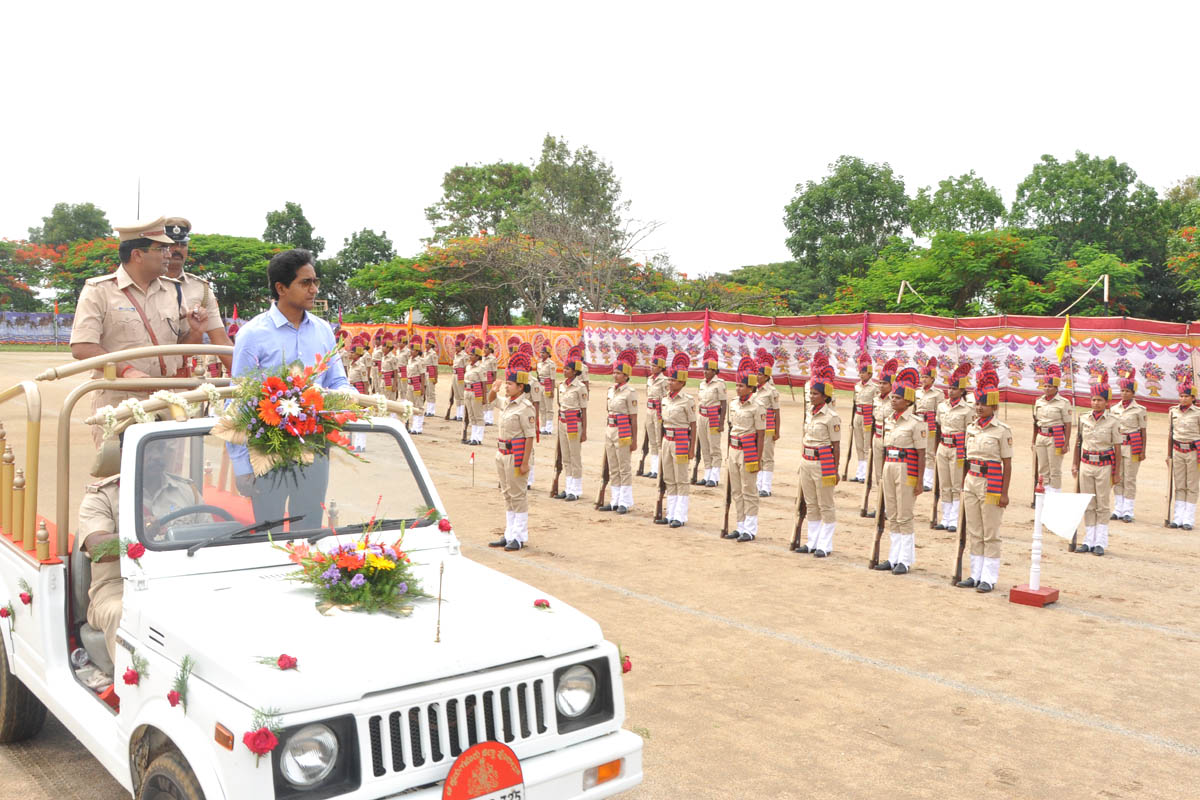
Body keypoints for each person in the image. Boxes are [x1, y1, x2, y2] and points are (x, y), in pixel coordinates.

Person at [229, 249, 349, 523]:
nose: (314, 289)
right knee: (267, 530)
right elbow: (237, 400)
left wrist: (348, 403)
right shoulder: (252, 335)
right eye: (305, 283)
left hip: (315, 445)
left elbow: (338, 381)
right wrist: (241, 465)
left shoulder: (323, 331)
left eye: (315, 282)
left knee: (308, 529)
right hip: (268, 447)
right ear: (281, 288)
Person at [70, 217, 210, 446]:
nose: (169, 253)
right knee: (119, 477)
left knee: (165, 476)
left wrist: (196, 332)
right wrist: (126, 371)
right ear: (137, 255)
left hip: (166, 401)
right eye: (162, 248)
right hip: (121, 402)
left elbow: (180, 349)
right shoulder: (99, 291)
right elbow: (82, 347)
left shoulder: (173, 291)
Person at [79, 430, 207, 667]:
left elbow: (211, 537)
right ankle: (133, 688)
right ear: (124, 453)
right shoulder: (102, 497)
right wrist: (141, 535)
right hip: (118, 587)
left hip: (182, 578)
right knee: (123, 612)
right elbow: (96, 548)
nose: (157, 456)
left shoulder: (186, 490)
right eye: (149, 449)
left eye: (161, 448)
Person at [954, 366, 1013, 592]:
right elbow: (966, 461)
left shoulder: (1002, 430)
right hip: (972, 480)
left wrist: (1004, 493)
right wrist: (963, 483)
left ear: (994, 406)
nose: (979, 408)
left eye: (984, 404)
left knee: (990, 532)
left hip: (992, 482)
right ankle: (975, 574)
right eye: (977, 403)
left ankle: (988, 577)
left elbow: (1007, 464)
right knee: (974, 530)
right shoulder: (971, 429)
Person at [163, 217, 233, 373]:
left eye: (183, 244)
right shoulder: (144, 284)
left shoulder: (201, 289)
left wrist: (248, 379)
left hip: (182, 378)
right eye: (172, 244)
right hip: (141, 377)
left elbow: (221, 341)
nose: (178, 249)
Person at [873, 367, 925, 575]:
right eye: (892, 397)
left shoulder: (916, 423)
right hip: (889, 466)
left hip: (906, 468)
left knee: (904, 515)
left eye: (897, 397)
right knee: (892, 513)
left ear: (908, 401)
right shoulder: (889, 420)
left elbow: (921, 453)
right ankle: (893, 557)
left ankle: (905, 559)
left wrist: (920, 481)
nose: (893, 401)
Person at [487, 352, 537, 551]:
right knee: (507, 494)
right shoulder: (507, 402)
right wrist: (494, 389)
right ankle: (509, 533)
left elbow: (529, 437)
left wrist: (525, 463)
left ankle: (519, 536)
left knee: (518, 496)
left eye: (510, 384)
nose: (506, 386)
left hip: (516, 456)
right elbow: (490, 400)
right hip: (502, 454)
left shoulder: (525, 407)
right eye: (506, 383)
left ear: (520, 387)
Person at [794, 362, 840, 557]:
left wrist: (835, 470)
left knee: (826, 504)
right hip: (806, 461)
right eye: (810, 393)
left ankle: (825, 544)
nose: (810, 396)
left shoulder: (832, 417)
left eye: (814, 394)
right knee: (811, 504)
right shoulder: (810, 414)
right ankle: (812, 541)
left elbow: (836, 446)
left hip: (824, 463)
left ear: (824, 396)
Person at [1073, 372, 1121, 555]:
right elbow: (1078, 443)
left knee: (1102, 503)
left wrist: (1117, 473)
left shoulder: (1113, 421)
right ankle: (1088, 540)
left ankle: (1100, 541)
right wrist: (1075, 464)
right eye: (1093, 399)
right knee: (1088, 502)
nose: (1096, 403)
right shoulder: (1083, 418)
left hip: (1104, 466)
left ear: (1107, 402)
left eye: (1100, 400)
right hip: (1086, 465)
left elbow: (1117, 448)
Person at [723, 357, 767, 542]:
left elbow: (761, 434)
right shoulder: (733, 403)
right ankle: (739, 526)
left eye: (741, 385)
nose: (738, 388)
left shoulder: (758, 406)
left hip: (748, 450)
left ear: (750, 387)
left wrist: (757, 459)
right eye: (737, 385)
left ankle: (750, 529)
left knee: (749, 490)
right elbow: (731, 428)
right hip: (734, 449)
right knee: (736, 491)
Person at [657, 353, 697, 528]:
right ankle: (670, 513)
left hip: (681, 441)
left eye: (673, 380)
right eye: (669, 380)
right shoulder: (665, 399)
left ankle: (680, 516)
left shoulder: (687, 401)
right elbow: (662, 424)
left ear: (681, 383)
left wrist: (691, 449)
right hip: (667, 440)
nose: (669, 382)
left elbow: (693, 425)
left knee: (681, 479)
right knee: (669, 478)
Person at [934, 363, 973, 531]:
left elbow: (970, 433)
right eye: (949, 387)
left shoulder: (967, 409)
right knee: (944, 483)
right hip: (943, 446)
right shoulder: (942, 406)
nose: (951, 391)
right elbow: (938, 427)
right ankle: (945, 517)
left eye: (955, 388)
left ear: (962, 391)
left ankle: (954, 519)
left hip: (958, 448)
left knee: (957, 484)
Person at [599, 349, 639, 514]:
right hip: (610, 430)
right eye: (614, 372)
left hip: (623, 431)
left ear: (626, 376)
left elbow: (634, 419)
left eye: (619, 373)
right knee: (613, 467)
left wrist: (634, 440)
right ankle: (614, 500)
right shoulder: (610, 390)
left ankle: (625, 501)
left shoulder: (630, 393)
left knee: (624, 467)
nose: (615, 375)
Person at [1112, 367, 1147, 523]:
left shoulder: (1140, 410)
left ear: (1133, 393)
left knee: (1130, 478)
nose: (1124, 393)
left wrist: (1142, 451)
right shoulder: (1114, 409)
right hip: (1118, 446)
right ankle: (1118, 508)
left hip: (1133, 446)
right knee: (1118, 476)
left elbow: (1143, 432)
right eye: (1122, 390)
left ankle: (1128, 510)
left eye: (1127, 391)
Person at [554, 345, 589, 501]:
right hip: (562, 422)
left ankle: (576, 489)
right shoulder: (561, 385)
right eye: (564, 368)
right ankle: (568, 487)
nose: (564, 371)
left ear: (575, 372)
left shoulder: (580, 387)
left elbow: (584, 410)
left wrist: (585, 431)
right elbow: (559, 405)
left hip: (574, 422)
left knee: (575, 457)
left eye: (568, 369)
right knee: (565, 457)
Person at [865, 359, 898, 518]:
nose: (881, 386)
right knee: (878, 474)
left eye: (885, 383)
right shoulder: (877, 399)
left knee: (889, 476)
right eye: (880, 383)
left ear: (892, 384)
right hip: (877, 439)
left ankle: (890, 507)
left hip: (890, 441)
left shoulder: (896, 400)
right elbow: (873, 421)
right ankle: (880, 505)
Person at [1033, 365, 1073, 494]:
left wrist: (1066, 443)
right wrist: (1033, 441)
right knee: (1043, 468)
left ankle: (1055, 495)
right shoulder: (1039, 402)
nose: (1047, 388)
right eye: (1045, 386)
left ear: (1056, 388)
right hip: (1041, 436)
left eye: (1050, 386)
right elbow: (1035, 423)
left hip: (1055, 438)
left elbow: (1067, 425)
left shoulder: (1064, 402)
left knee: (1055, 469)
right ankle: (1044, 494)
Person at [1168, 381, 1200, 529]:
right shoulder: (1173, 411)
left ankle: (1188, 519)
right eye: (1181, 396)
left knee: (1191, 485)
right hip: (1177, 450)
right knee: (1179, 484)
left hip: (1193, 451)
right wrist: (1169, 455)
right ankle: (1178, 517)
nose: (1183, 399)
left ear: (1193, 398)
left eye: (1187, 396)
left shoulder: (1198, 413)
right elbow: (1170, 434)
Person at [695, 349, 727, 488]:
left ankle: (714, 477)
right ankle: (706, 474)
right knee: (704, 446)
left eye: (708, 370)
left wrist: (721, 423)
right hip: (702, 416)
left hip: (714, 417)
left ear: (714, 371)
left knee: (714, 447)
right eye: (704, 369)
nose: (705, 372)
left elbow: (724, 404)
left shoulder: (719, 384)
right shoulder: (702, 383)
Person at [754, 348, 781, 497]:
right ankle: (758, 484)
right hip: (756, 428)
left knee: (767, 457)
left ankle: (766, 486)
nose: (757, 376)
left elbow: (777, 412)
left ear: (766, 376)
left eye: (759, 374)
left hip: (768, 428)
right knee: (757, 455)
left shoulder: (771, 391)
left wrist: (777, 431)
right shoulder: (754, 390)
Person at [851, 352, 877, 482]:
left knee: (867, 446)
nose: (861, 374)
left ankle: (866, 473)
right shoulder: (856, 386)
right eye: (860, 372)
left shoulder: (874, 387)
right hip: (858, 416)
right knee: (859, 445)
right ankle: (859, 472)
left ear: (870, 374)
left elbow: (876, 405)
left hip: (868, 418)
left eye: (864, 372)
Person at [643, 345, 669, 479]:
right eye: (651, 365)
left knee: (659, 440)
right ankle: (653, 468)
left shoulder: (664, 381)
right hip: (649, 410)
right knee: (652, 440)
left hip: (659, 411)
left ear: (660, 367)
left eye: (654, 365)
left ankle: (659, 468)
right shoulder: (649, 379)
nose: (651, 367)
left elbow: (666, 398)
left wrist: (663, 415)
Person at [915, 357, 941, 491]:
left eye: (926, 377)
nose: (923, 379)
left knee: (929, 453)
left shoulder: (937, 393)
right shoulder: (917, 392)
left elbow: (940, 412)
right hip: (918, 425)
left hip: (930, 426)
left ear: (932, 379)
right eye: (922, 376)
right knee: (918, 451)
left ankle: (928, 481)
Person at [464, 339, 488, 445]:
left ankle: (478, 438)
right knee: (471, 415)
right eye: (469, 354)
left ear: (478, 356)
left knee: (478, 415)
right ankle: (473, 437)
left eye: (472, 355)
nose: (470, 356)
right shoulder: (468, 366)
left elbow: (484, 383)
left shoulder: (481, 367)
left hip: (476, 392)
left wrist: (484, 397)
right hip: (467, 391)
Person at [407, 337, 427, 434]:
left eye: (413, 350)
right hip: (410, 384)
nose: (411, 351)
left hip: (417, 384)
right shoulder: (410, 360)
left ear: (417, 351)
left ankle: (418, 427)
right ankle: (413, 426)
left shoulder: (420, 361)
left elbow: (422, 375)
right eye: (410, 349)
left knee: (419, 405)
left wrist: (422, 387)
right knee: (412, 406)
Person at [537, 346, 557, 435]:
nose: (541, 354)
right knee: (542, 408)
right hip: (540, 386)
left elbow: (553, 378)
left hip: (548, 386)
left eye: (544, 353)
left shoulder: (551, 364)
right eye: (541, 352)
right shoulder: (539, 364)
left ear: (548, 354)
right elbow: (538, 376)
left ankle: (549, 428)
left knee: (549, 407)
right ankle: (543, 426)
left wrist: (552, 390)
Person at [451, 334, 468, 420]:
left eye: (457, 346)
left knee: (461, 395)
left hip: (461, 375)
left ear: (461, 346)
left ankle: (461, 414)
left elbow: (466, 368)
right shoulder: (456, 355)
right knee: (457, 395)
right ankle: (458, 414)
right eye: (455, 346)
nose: (456, 347)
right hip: (454, 374)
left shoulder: (464, 356)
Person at [423, 332, 439, 417]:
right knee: (426, 392)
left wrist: (436, 377)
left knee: (431, 392)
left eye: (427, 343)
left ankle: (431, 410)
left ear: (431, 344)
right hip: (425, 373)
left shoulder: (433, 354)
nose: (425, 345)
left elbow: (435, 366)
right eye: (425, 343)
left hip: (431, 374)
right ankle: (428, 409)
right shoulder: (425, 353)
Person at [482, 343, 499, 425]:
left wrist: (494, 383)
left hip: (489, 381)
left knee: (490, 399)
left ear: (490, 350)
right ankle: (485, 417)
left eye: (486, 348)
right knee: (484, 397)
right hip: (483, 380)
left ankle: (490, 419)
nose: (484, 350)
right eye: (484, 348)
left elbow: (494, 372)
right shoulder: (483, 358)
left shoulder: (492, 359)